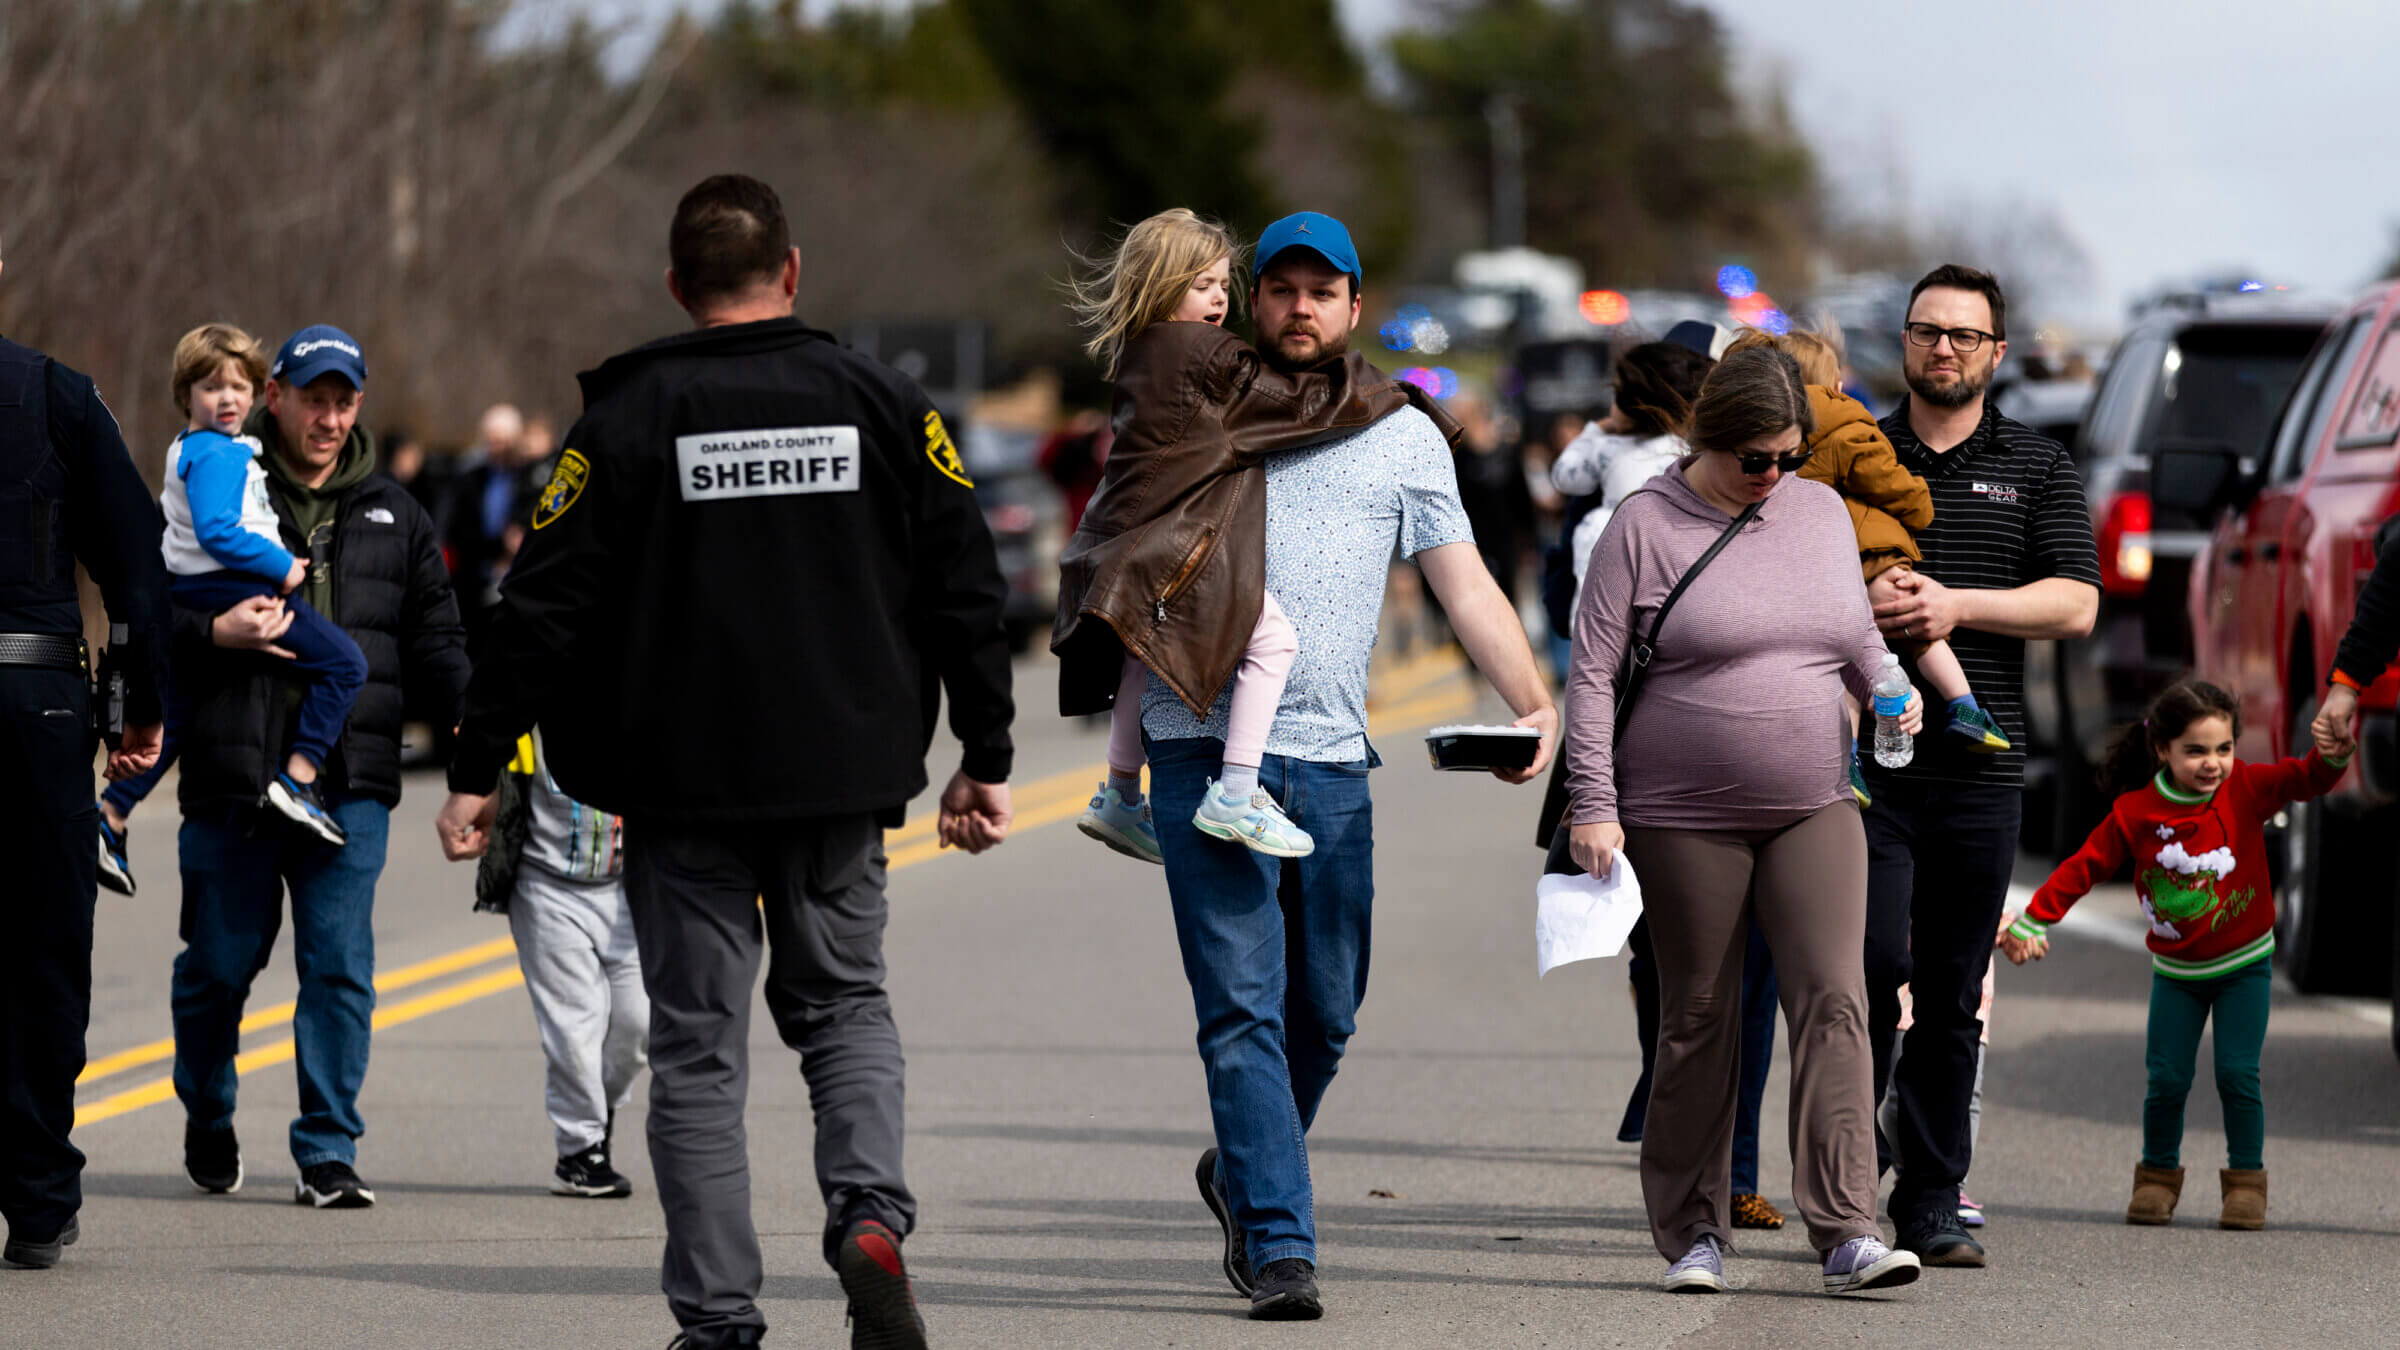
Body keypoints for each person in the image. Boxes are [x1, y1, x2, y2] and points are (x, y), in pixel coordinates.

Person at [434, 173, 1015, 1350]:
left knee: (697, 1051)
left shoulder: (626, 423)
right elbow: (967, 587)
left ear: (675, 286)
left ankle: (717, 1323)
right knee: (846, 1008)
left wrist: (476, 766)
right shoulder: (888, 403)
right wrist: (985, 750)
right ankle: (868, 1219)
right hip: (842, 777)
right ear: (791, 271)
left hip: (680, 786)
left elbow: (535, 608)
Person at [1138, 210, 1557, 1321]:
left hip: (1330, 760)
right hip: (1200, 752)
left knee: (1325, 1011)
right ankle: (1279, 1242)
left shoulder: (1402, 434)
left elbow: (1464, 584)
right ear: (1255, 298)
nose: (1301, 307)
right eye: (1281, 288)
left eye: (1324, 290)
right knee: (1243, 1009)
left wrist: (1533, 701)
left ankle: (1239, 1168)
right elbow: (1114, 535)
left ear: (1354, 306)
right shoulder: (1195, 411)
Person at [1564, 345, 1924, 1297]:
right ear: (1703, 439)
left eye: (1790, 457)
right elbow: (1593, 675)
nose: (1774, 476)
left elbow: (1853, 636)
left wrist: (1891, 689)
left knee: (1838, 1000)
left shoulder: (1816, 513)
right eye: (1755, 459)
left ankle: (1848, 1227)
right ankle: (1693, 1230)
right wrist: (1594, 807)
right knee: (1698, 1015)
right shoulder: (1643, 526)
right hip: (1682, 814)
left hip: (1813, 801)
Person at [167, 323, 469, 1211]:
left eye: (344, 401)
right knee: (218, 967)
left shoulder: (395, 512)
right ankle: (207, 1108)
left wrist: (477, 748)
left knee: (339, 966)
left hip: (347, 778)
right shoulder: (217, 477)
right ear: (276, 399)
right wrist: (210, 632)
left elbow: (439, 638)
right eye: (312, 399)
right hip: (234, 771)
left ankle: (326, 1148)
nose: (328, 418)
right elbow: (150, 606)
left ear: (359, 406)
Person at [1056, 207, 1446, 868]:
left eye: (1222, 285)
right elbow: (1297, 407)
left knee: (1137, 659)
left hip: (1123, 547)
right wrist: (1393, 397)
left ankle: (1120, 791)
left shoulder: (1141, 352)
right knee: (1273, 639)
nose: (1219, 300)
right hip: (1174, 546)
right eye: (1202, 284)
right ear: (1162, 284)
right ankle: (1237, 791)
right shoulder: (1203, 356)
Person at [1861, 264, 2099, 1267]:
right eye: (1927, 331)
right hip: (1863, 764)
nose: (1944, 349)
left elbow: (2077, 603)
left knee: (1953, 992)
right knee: (1865, 970)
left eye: (1965, 335)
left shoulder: (2038, 466)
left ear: (1997, 353)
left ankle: (1927, 1199)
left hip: (1983, 767)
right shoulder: (1854, 453)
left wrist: (1958, 606)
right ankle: (1851, 1157)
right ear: (1906, 342)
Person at [2001, 679, 2353, 1229]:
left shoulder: (2250, 789)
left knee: (2238, 1074)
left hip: (2244, 967)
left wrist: (2333, 757)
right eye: (2195, 751)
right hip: (2177, 974)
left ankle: (2245, 1183)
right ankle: (2158, 1178)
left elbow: (2307, 778)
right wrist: (2034, 917)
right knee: (2166, 1078)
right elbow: (2083, 867)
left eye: (2224, 748)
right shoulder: (2136, 812)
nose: (2212, 763)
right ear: (2161, 749)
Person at [0, 240, 172, 1271]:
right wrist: (139, 705)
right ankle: (34, 1195)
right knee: (39, 953)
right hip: (34, 706)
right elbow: (137, 566)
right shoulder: (58, 396)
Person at [96, 324, 368, 896]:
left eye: (239, 387)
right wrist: (283, 565)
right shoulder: (216, 454)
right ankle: (297, 780)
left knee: (173, 715)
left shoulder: (194, 448)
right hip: (232, 587)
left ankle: (110, 816)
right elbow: (220, 531)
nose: (228, 399)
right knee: (345, 664)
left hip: (196, 592)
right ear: (185, 393)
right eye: (212, 387)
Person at [1724, 327, 2014, 785]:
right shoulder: (1848, 424)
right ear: (1836, 384)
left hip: (1807, 565)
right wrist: (1920, 501)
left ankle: (1846, 763)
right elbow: (1885, 479)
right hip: (1867, 553)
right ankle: (1964, 706)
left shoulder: (1771, 431)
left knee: (1847, 664)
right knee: (1920, 632)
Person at [473, 728, 645, 1199]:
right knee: (574, 1024)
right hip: (545, 884)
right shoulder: (535, 701)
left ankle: (596, 1112)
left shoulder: (642, 694)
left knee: (640, 1023)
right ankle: (579, 1152)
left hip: (628, 888)